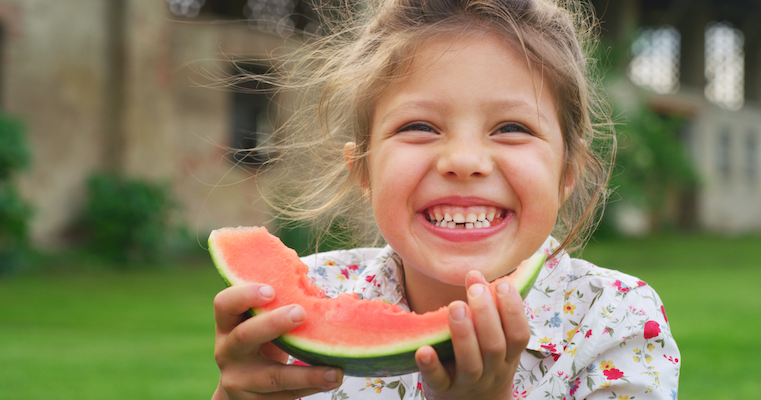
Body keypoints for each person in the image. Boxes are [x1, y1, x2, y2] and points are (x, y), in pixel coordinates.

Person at [211, 0, 681, 399]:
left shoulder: (617, 320)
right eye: (419, 127)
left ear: (567, 173)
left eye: (512, 128)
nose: (463, 160)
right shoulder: (307, 303)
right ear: (364, 170)